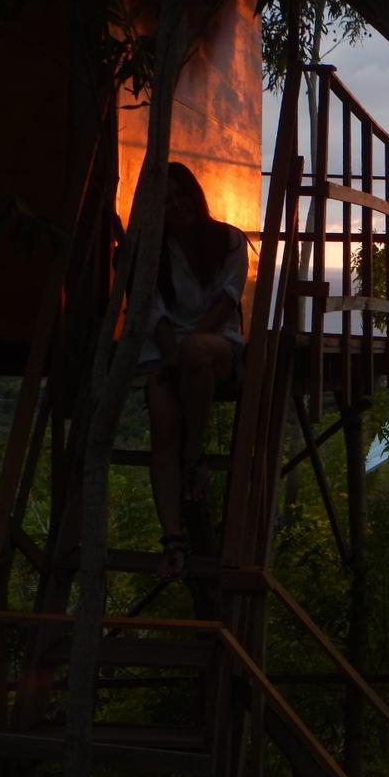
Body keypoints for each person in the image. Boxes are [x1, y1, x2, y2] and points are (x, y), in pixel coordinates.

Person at [142, 161, 248, 579]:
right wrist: (173, 357)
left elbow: (227, 302)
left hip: (215, 345)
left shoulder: (228, 241)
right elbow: (155, 314)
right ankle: (173, 542)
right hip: (167, 352)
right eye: (165, 200)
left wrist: (183, 352)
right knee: (162, 424)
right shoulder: (154, 252)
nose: (176, 204)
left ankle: (194, 457)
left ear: (195, 194)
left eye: (181, 193)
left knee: (198, 352)